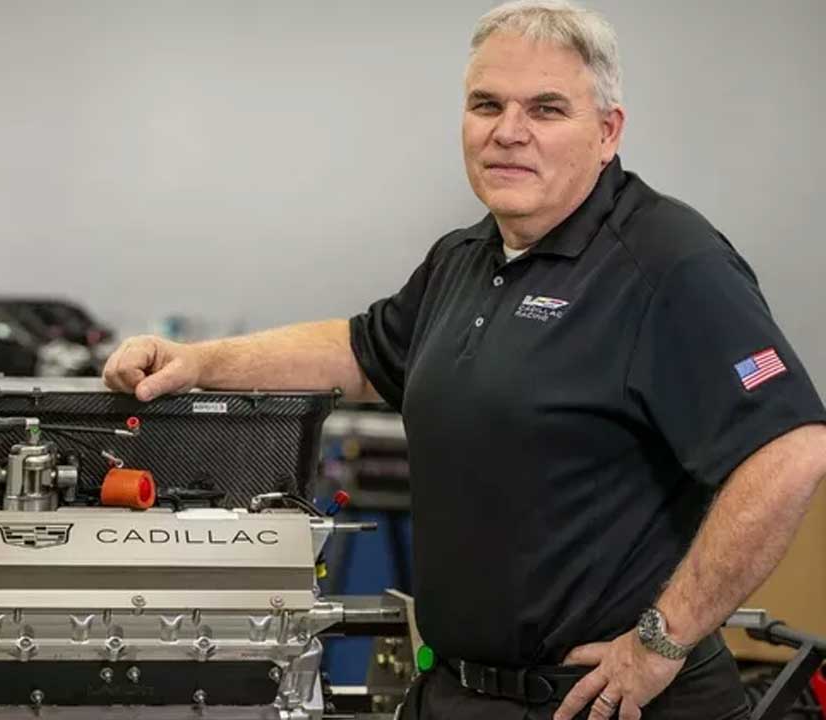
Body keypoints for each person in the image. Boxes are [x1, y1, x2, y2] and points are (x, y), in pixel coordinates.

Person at [102, 1, 826, 718]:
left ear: (607, 131)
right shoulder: (466, 257)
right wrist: (197, 362)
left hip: (602, 703)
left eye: (546, 109)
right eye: (487, 105)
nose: (508, 132)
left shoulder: (667, 263)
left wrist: (661, 643)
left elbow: (791, 450)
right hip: (462, 692)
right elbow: (359, 350)